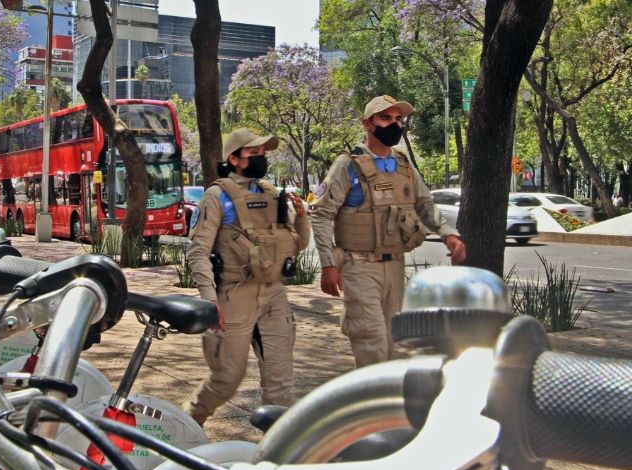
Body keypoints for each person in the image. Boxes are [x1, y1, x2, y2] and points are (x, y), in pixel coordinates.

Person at [309, 95, 466, 368]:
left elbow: (424, 203)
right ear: (367, 124)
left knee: (392, 341)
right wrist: (327, 265)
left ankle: (383, 399)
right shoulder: (348, 165)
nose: (394, 124)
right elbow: (322, 215)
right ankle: (373, 401)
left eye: (398, 119)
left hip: (394, 264)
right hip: (358, 265)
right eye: (385, 118)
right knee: (371, 338)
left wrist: (447, 233)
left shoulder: (403, 165)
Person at [183, 128, 310, 426]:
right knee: (227, 378)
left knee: (281, 382)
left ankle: (278, 452)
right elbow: (198, 252)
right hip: (233, 295)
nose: (261, 158)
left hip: (274, 294)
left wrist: (302, 218)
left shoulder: (271, 194)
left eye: (263, 152)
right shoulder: (216, 197)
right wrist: (209, 301)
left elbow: (297, 244)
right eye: (254, 153)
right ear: (234, 159)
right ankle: (189, 422)